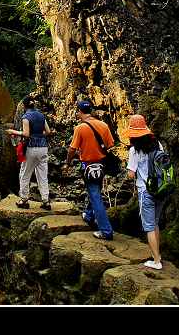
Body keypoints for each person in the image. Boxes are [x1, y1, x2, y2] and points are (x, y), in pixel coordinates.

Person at [65, 99, 115, 240]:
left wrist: (67, 163)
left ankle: (106, 230)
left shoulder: (80, 128)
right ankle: (88, 215)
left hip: (87, 165)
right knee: (95, 190)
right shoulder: (103, 125)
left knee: (95, 196)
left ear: (79, 111)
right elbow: (110, 145)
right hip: (102, 165)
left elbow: (72, 149)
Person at [125, 114, 168, 270]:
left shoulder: (134, 150)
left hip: (146, 191)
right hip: (161, 189)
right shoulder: (158, 144)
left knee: (149, 226)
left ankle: (156, 261)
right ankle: (158, 254)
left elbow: (131, 173)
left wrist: (131, 171)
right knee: (155, 223)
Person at [6, 95, 53, 209]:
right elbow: (48, 131)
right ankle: (46, 201)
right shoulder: (41, 116)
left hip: (31, 148)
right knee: (42, 175)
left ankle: (24, 200)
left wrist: (13, 131)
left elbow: (26, 134)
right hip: (43, 148)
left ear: (24, 106)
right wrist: (38, 135)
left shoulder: (26, 117)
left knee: (25, 174)